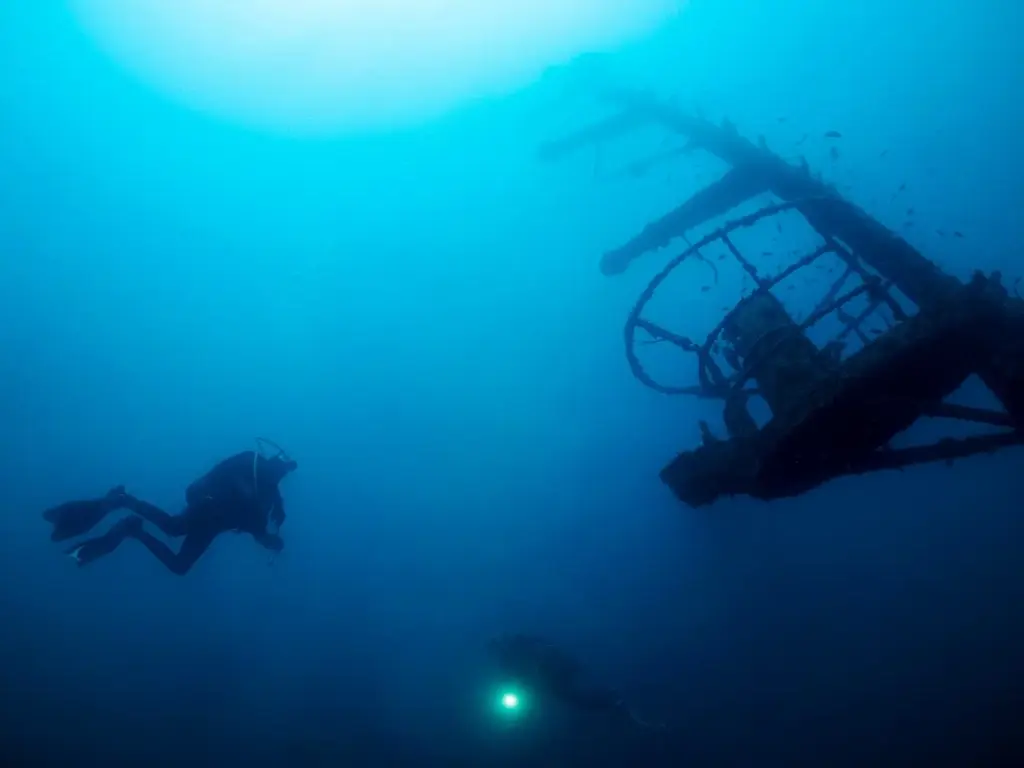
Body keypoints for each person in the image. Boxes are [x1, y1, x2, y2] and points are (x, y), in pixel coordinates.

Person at [42, 443, 297, 575]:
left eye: (281, 473)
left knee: (180, 566)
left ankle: (133, 529)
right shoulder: (250, 462)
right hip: (206, 506)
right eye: (279, 467)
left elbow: (258, 531)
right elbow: (222, 474)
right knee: (174, 527)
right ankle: (124, 500)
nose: (277, 474)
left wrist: (272, 541)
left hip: (213, 525)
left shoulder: (267, 500)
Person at [487, 633, 662, 728]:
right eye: (496, 648)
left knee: (573, 698)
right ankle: (612, 700)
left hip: (554, 672)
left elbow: (544, 650)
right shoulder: (507, 660)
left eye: (498, 644)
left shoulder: (521, 644)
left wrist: (542, 667)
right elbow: (510, 680)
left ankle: (613, 699)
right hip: (548, 679)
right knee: (572, 698)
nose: (499, 648)